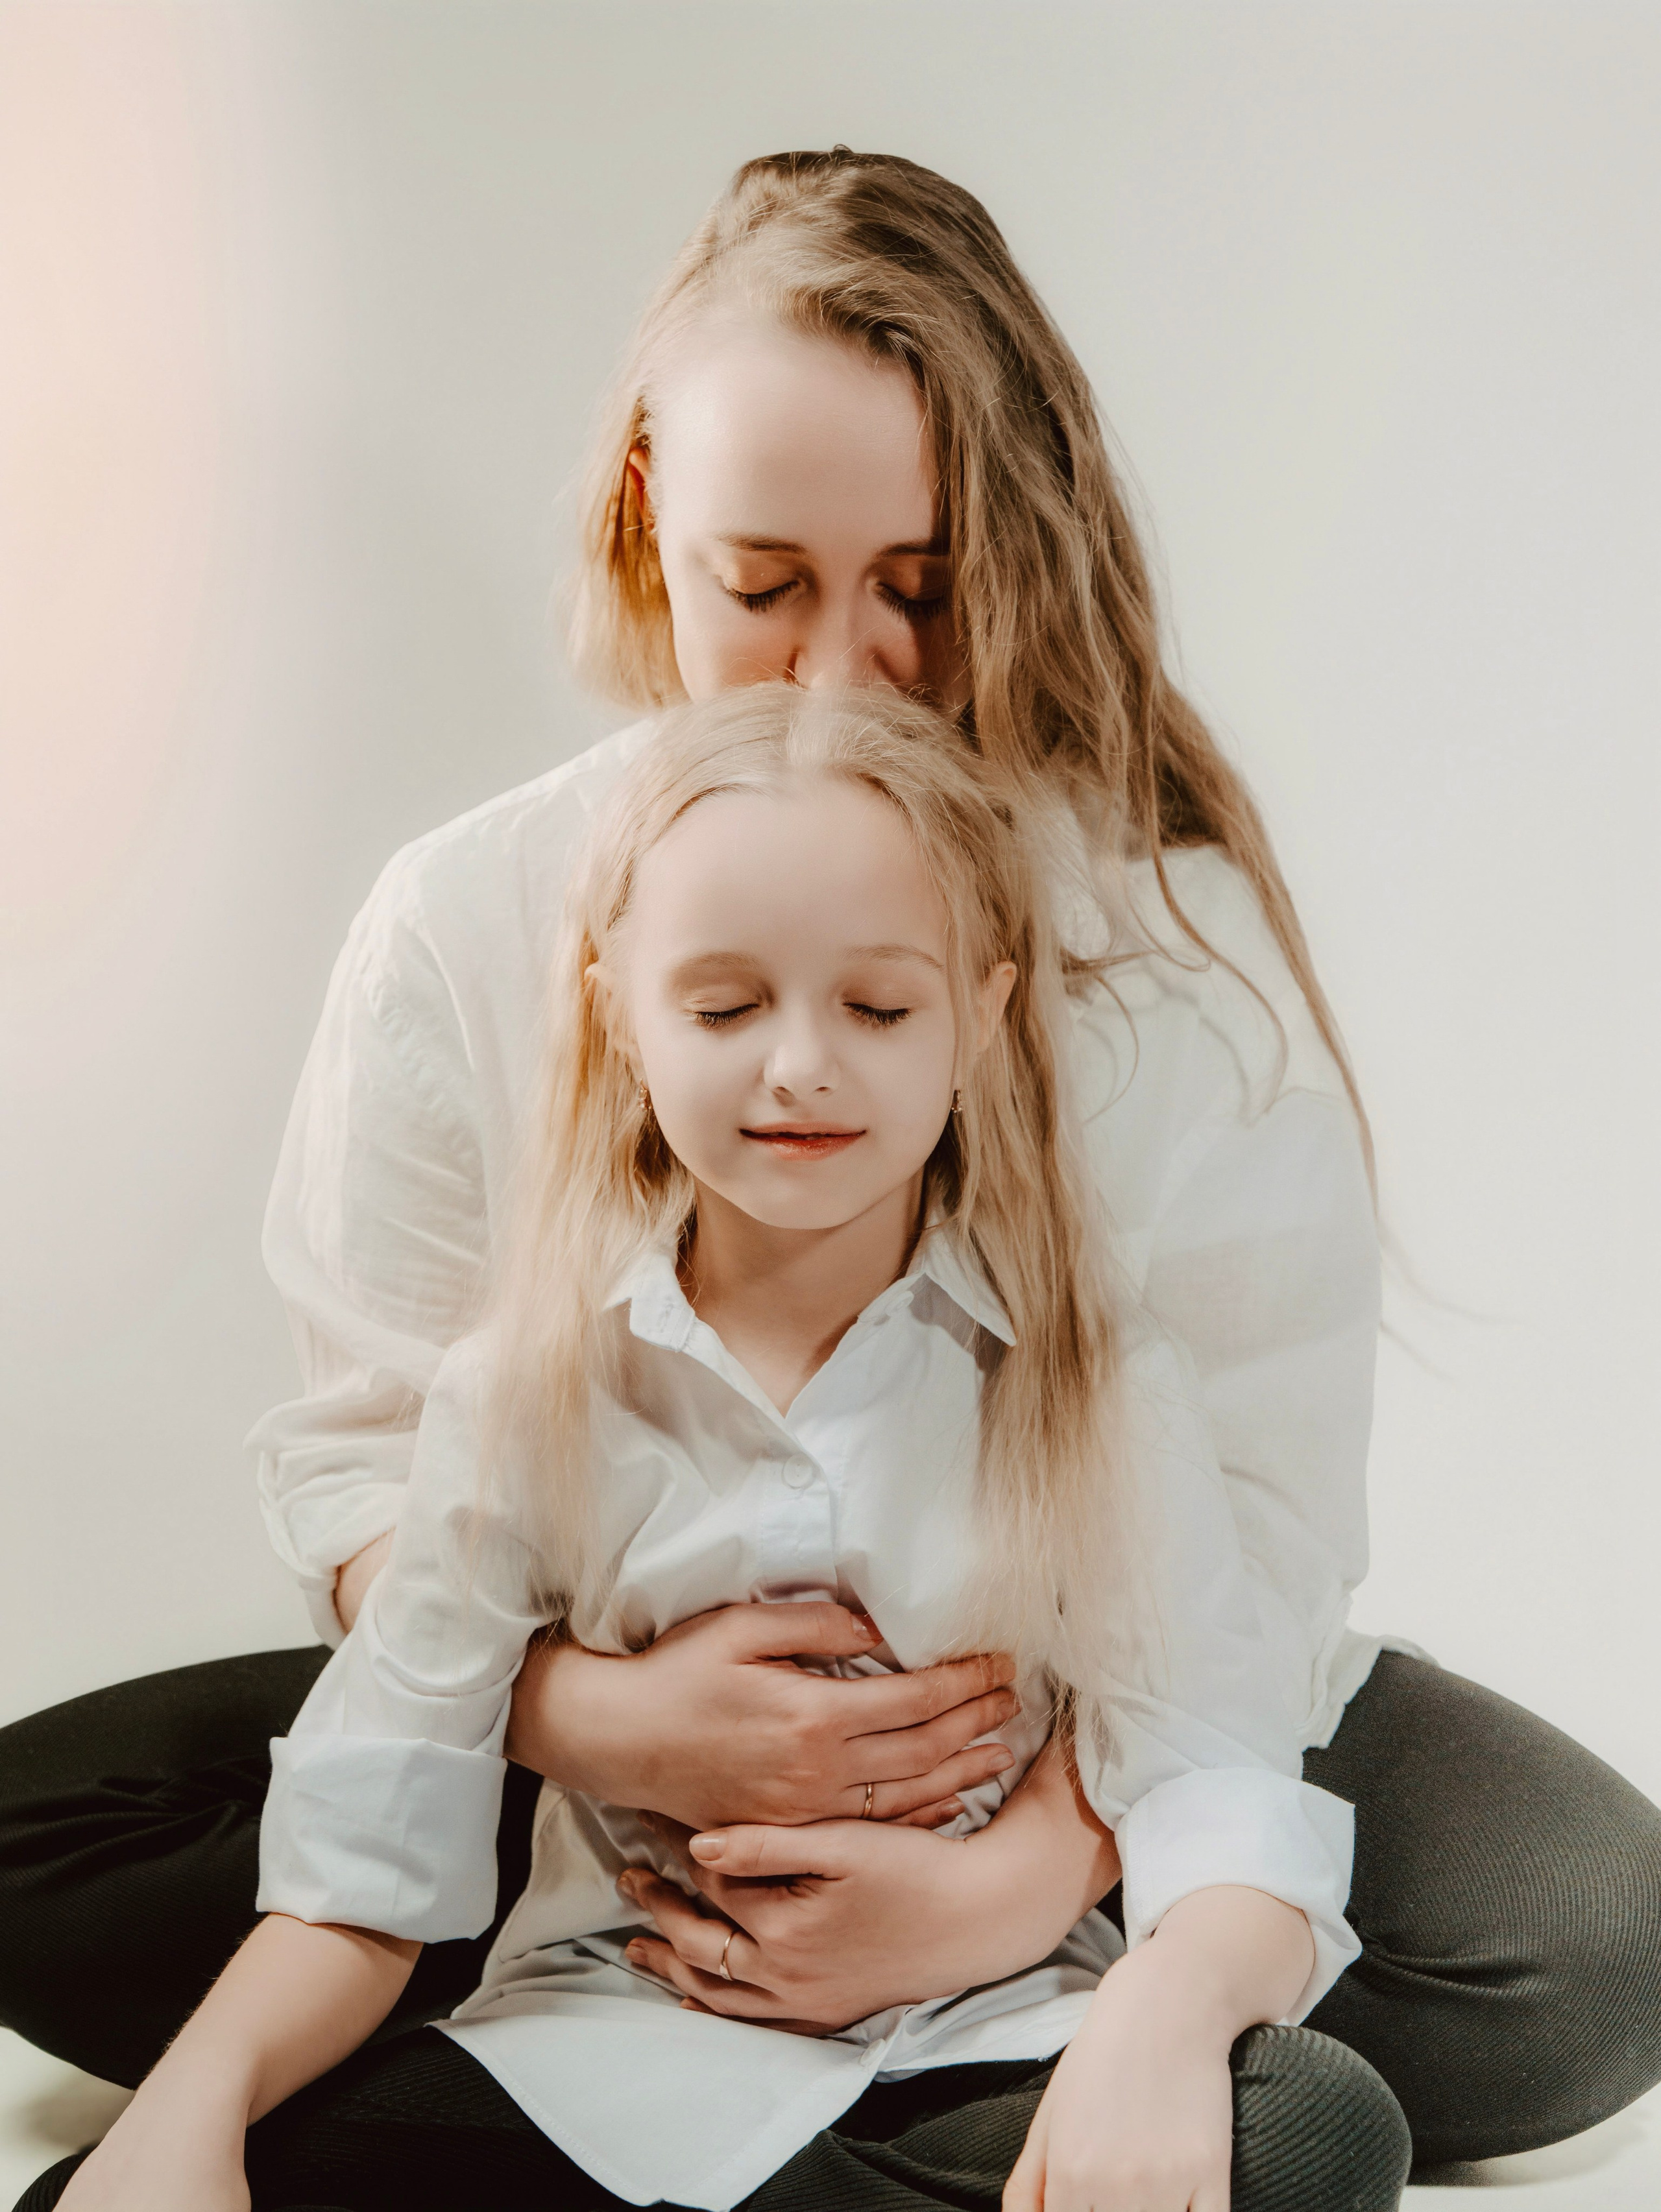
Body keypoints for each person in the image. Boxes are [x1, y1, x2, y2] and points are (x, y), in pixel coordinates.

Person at [2, 147, 1658, 2201]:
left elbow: (1252, 1543)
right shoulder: (475, 919)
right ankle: (595, 1991)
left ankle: (846, 2044)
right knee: (57, 1836)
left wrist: (1038, 1867)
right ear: (648, 524)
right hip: (577, 1712)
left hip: (1086, 1711)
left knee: (1576, 1940)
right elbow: (382, 1478)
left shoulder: (1169, 955)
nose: (843, 680)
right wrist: (604, 1727)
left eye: (926, 589)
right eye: (760, 584)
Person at [31, 683, 1417, 2212]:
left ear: (984, 1015)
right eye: (723, 1006)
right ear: (617, 1006)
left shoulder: (1096, 1382)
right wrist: (196, 2100)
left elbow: (1213, 1791)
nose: (799, 1067)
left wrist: (1161, 2015)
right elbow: (370, 1850)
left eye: (878, 1009)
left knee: (1312, 2128)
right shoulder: (520, 1396)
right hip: (609, 2046)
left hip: (991, 2044)